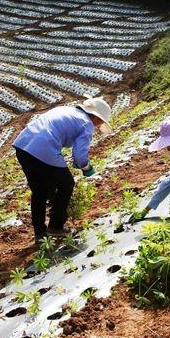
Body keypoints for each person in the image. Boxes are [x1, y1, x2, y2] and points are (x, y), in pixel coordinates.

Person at [13, 97, 112, 243]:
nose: (99, 126)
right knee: (66, 185)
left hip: (23, 146)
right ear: (96, 116)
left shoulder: (66, 110)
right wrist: (86, 167)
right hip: (44, 148)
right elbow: (79, 156)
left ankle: (40, 233)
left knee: (40, 191)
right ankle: (56, 226)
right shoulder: (86, 123)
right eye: (101, 121)